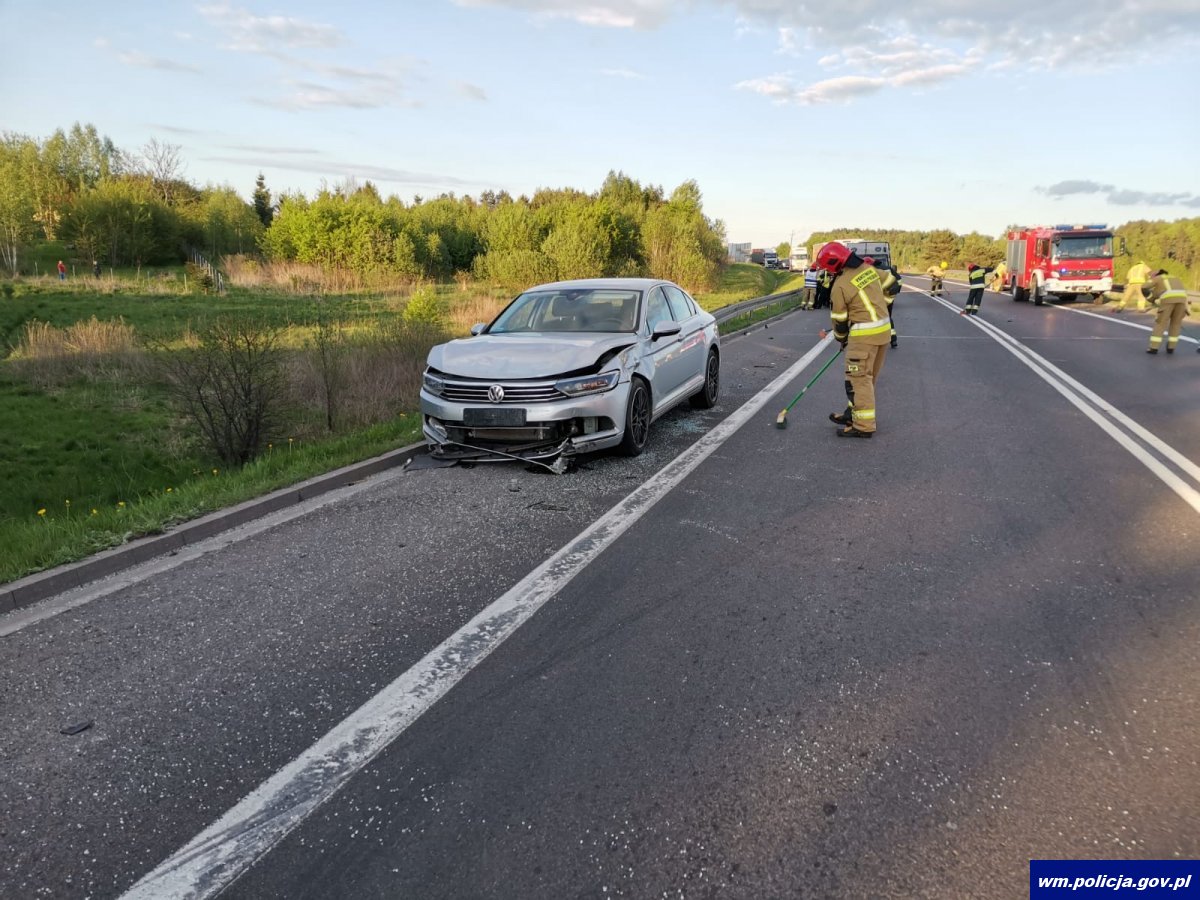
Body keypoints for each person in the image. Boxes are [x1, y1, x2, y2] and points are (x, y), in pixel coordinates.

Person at [817, 241, 891, 438]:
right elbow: (892, 283)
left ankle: (863, 425)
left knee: (858, 381)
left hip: (863, 338)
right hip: (883, 333)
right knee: (867, 379)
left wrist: (842, 339)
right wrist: (882, 304)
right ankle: (853, 414)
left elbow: (839, 320)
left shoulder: (840, 285)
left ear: (833, 264)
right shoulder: (868, 269)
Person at [1144, 269, 1193, 354]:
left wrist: (1149, 299)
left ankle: (1154, 347)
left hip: (1168, 301)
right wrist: (1187, 308)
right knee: (1176, 324)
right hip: (1182, 301)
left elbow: (1144, 287)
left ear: (1157, 275)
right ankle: (1171, 347)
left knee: (1160, 323)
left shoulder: (1158, 278)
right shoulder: (1175, 278)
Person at [866, 256, 902, 348]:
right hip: (889, 296)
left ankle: (877, 339)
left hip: (878, 297)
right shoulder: (888, 268)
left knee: (875, 317)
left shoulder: (871, 271)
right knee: (887, 316)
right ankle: (893, 339)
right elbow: (899, 280)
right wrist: (896, 291)